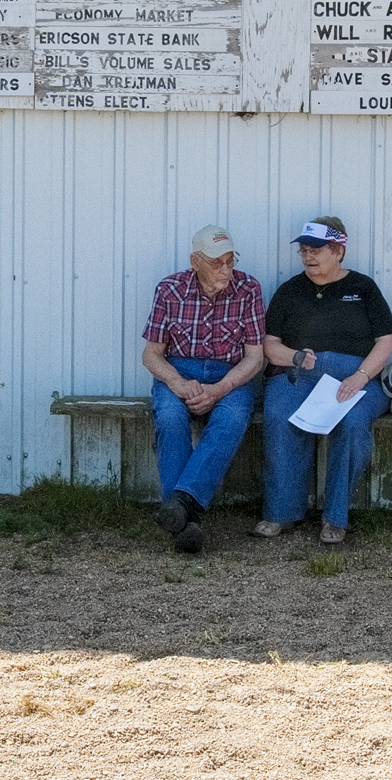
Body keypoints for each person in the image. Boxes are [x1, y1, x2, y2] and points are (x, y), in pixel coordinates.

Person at [253, 217, 392, 545]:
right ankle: (280, 512)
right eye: (304, 250)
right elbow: (269, 343)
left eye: (316, 249)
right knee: (278, 416)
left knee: (352, 423)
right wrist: (294, 357)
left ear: (338, 251)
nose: (308, 257)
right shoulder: (289, 291)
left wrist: (361, 376)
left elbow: (387, 339)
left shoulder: (363, 288)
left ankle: (335, 516)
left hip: (355, 375)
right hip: (299, 374)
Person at [141, 224, 265, 553]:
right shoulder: (170, 289)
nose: (226, 270)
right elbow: (151, 354)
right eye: (216, 263)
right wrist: (177, 383)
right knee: (169, 416)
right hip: (180, 369)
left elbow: (255, 358)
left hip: (231, 373)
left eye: (230, 261)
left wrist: (221, 388)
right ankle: (187, 519)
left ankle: (179, 508)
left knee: (232, 417)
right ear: (195, 261)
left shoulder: (249, 288)